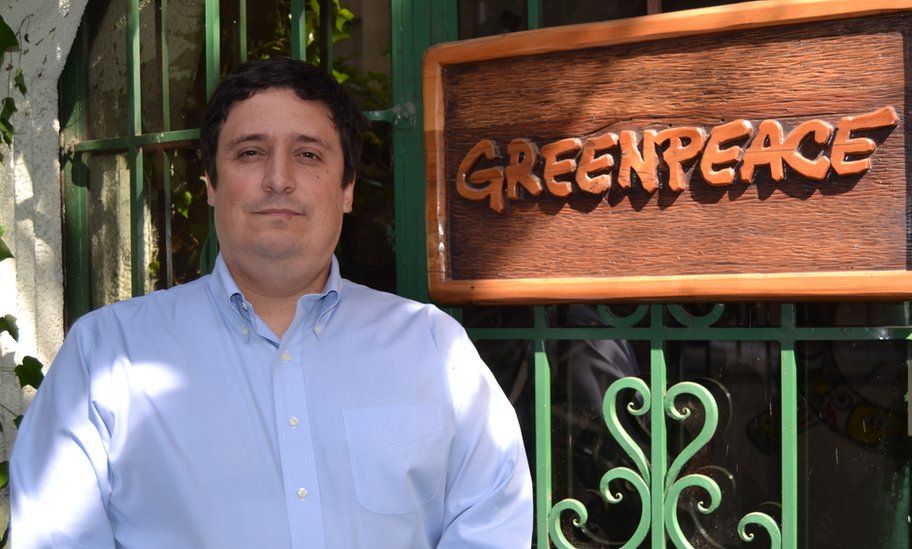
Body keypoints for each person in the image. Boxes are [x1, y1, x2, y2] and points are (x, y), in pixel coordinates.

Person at [10, 58, 532, 548]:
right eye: (250, 152)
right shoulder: (105, 355)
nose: (278, 179)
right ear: (211, 184)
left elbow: (492, 521)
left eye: (308, 154)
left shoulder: (433, 349)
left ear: (348, 188)